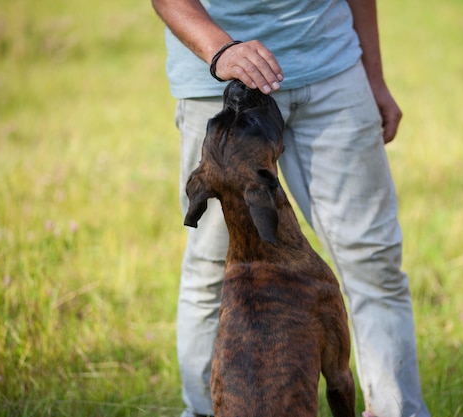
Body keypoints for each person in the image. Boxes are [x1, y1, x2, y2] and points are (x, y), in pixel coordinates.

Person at [151, 1, 430, 416]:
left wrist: (373, 76)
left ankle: (397, 410)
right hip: (216, 74)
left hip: (330, 64)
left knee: (373, 260)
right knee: (210, 271)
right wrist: (220, 50)